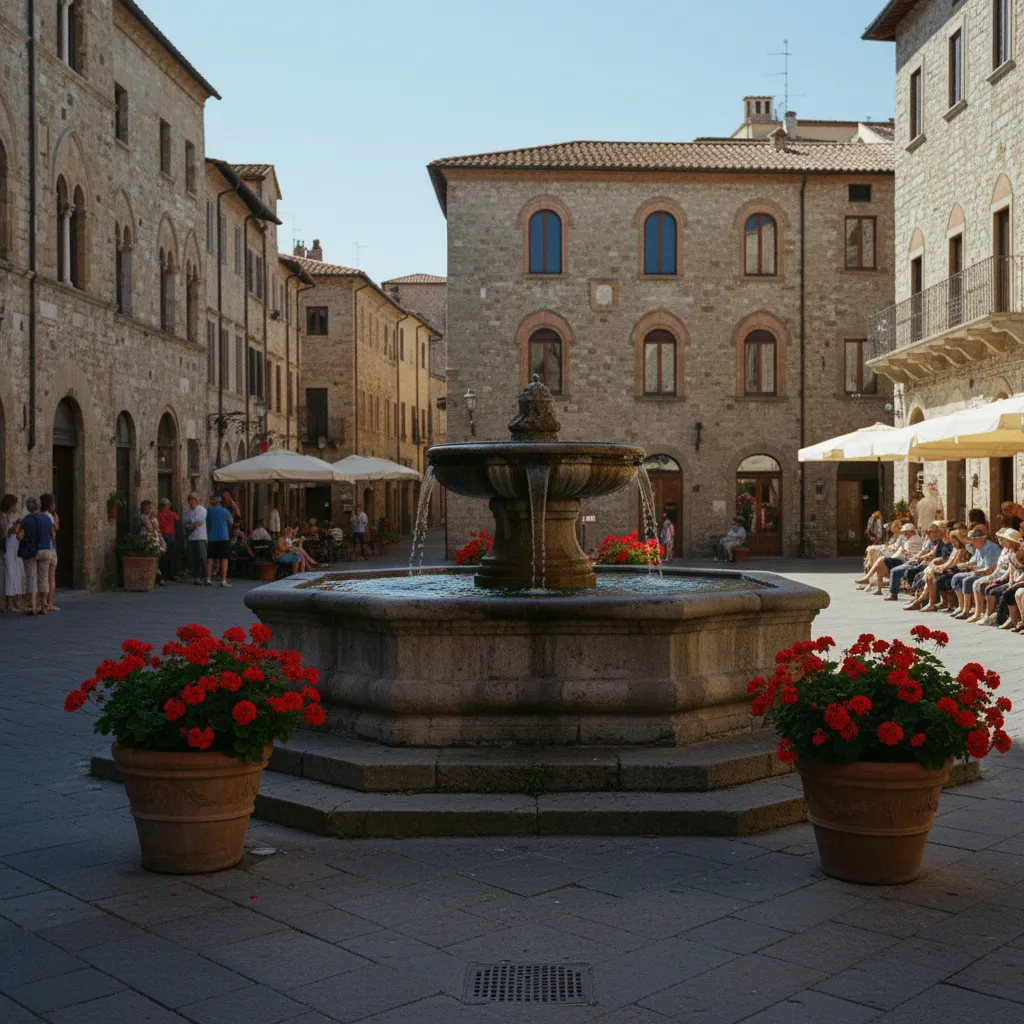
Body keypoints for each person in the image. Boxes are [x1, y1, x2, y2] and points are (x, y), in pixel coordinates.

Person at [856, 522, 922, 595]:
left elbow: (912, 554)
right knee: (880, 564)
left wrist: (903, 551)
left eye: (906, 533)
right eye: (904, 534)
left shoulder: (915, 540)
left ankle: (869, 579)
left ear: (911, 532)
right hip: (903, 560)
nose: (905, 535)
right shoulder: (908, 539)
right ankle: (877, 587)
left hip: (906, 562)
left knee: (881, 560)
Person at [949, 527, 1001, 619]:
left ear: (982, 539)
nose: (971, 542)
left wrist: (976, 571)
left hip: (989, 574)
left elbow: (989, 569)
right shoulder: (978, 547)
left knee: (967, 580)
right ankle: (962, 607)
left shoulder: (991, 548)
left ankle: (968, 610)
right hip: (979, 572)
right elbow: (974, 561)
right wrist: (966, 564)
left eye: (973, 540)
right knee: (956, 577)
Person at [16, 497, 55, 616]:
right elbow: (53, 535)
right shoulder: (47, 519)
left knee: (31, 578)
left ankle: (32, 606)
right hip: (46, 549)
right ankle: (43, 606)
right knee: (43, 578)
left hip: (30, 551)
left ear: (28, 507)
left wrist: (19, 535)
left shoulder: (26, 520)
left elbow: (20, 536)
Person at [885, 522, 940, 602]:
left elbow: (931, 554)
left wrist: (917, 557)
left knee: (911, 572)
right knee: (897, 571)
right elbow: (924, 551)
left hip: (926, 563)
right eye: (929, 534)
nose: (929, 536)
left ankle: (919, 597)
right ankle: (895, 594)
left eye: (931, 534)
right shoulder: (928, 540)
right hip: (916, 561)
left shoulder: (918, 540)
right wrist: (916, 556)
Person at [1, 495, 25, 613]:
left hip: (16, 548)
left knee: (18, 574)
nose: (16, 507)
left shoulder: (17, 516)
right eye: (15, 504)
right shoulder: (3, 516)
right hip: (9, 549)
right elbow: (3, 534)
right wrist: (12, 530)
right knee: (10, 574)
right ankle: (10, 604)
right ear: (10, 505)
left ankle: (17, 601)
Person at [205, 495, 233, 587]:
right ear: (221, 502)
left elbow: (207, 522)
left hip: (212, 537)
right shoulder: (225, 511)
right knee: (224, 559)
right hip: (223, 537)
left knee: (210, 559)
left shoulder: (209, 511)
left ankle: (208, 579)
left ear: (213, 502)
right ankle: (223, 580)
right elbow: (231, 522)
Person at [139, 500, 167, 586]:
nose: (151, 509)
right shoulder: (143, 517)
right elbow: (149, 527)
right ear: (145, 508)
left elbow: (157, 529)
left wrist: (162, 540)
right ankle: (159, 578)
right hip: (147, 540)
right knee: (151, 558)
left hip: (155, 539)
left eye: (152, 507)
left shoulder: (153, 518)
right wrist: (153, 525)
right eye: (150, 507)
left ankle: (157, 578)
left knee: (156, 558)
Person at [182, 492, 208, 586]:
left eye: (194, 499)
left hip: (201, 537)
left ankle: (205, 576)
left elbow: (199, 523)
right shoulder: (187, 512)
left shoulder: (202, 510)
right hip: (191, 538)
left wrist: (190, 526)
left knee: (202, 557)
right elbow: (185, 523)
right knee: (192, 557)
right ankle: (197, 576)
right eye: (190, 499)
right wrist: (189, 526)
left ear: (197, 500)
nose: (192, 501)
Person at [40, 493, 59, 612]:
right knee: (51, 578)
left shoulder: (38, 515)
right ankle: (49, 603)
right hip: (50, 549)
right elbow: (54, 530)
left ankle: (41, 602)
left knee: (42, 578)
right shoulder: (50, 517)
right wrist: (56, 519)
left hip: (40, 549)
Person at [157, 498, 179, 582]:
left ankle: (166, 575)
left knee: (165, 556)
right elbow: (177, 524)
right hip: (169, 535)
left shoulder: (159, 515)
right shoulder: (173, 514)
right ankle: (170, 575)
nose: (165, 507)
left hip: (165, 536)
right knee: (169, 556)